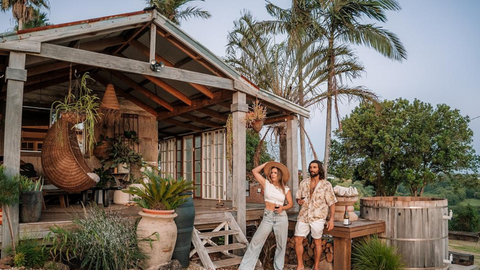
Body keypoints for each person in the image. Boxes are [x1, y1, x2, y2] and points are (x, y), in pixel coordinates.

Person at [239, 161, 294, 270]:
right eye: (272, 172)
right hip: (268, 217)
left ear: (279, 175)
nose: (273, 174)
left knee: (281, 245)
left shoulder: (285, 189)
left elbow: (291, 204)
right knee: (256, 242)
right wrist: (266, 163)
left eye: (275, 172)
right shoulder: (266, 184)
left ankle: (278, 268)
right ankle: (245, 268)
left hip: (281, 217)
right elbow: (254, 171)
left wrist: (282, 208)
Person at [294, 160, 337, 270]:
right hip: (304, 215)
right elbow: (298, 197)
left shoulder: (326, 185)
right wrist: (299, 201)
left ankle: (316, 266)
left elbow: (332, 202)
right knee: (297, 239)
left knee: (317, 241)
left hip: (318, 217)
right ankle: (300, 265)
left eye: (314, 167)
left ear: (319, 169)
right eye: (311, 167)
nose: (312, 169)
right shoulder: (304, 182)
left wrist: (331, 219)